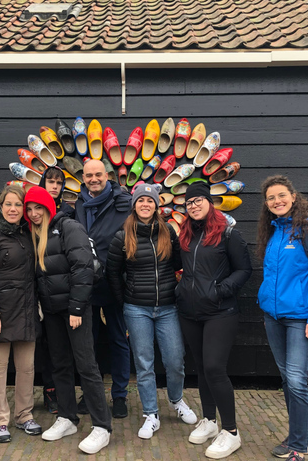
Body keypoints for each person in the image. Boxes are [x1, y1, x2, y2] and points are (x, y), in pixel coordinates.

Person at [24, 186, 112, 455]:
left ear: (49, 207)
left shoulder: (69, 227)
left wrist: (76, 308)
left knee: (86, 365)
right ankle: (67, 417)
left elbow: (83, 268)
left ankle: (102, 427)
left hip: (75, 310)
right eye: (29, 209)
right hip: (51, 311)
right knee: (60, 365)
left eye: (38, 208)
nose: (33, 213)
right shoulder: (34, 233)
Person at [106, 184, 198, 440]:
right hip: (136, 309)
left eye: (150, 200)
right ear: (134, 205)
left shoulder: (168, 231)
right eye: (140, 200)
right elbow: (112, 273)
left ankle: (177, 400)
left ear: (156, 205)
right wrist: (124, 299)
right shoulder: (122, 235)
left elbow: (179, 262)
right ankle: (150, 413)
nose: (145, 204)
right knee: (144, 364)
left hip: (168, 307)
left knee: (174, 360)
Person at [256, 175, 308, 461]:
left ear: (293, 196)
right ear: (266, 204)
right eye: (271, 198)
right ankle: (295, 436)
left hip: (300, 318)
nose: (277, 201)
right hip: (273, 317)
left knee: (296, 380)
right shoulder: (273, 231)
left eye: (281, 195)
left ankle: (300, 446)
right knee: (288, 379)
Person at [175, 181, 252, 459]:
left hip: (220, 312)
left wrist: (221, 291)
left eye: (198, 201)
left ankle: (231, 432)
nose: (193, 206)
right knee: (202, 369)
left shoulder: (228, 234)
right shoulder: (185, 234)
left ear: (209, 202)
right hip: (190, 312)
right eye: (189, 202)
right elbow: (177, 265)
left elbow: (244, 269)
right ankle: (209, 421)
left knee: (215, 368)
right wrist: (180, 291)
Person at [0, 185, 41, 442]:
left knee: (26, 368)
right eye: (8, 204)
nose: (13, 209)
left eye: (18, 205)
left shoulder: (29, 234)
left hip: (25, 311)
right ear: (1, 206)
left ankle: (24, 415)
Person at [73, 159, 132, 418]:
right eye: (89, 175)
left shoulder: (123, 203)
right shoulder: (77, 205)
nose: (93, 179)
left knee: (119, 340)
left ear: (107, 175)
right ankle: (91, 394)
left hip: (115, 282)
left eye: (98, 174)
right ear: (83, 178)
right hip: (86, 284)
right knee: (89, 343)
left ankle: (120, 396)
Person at [36, 165, 72, 413]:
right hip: (38, 285)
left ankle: (64, 392)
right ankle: (49, 392)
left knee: (62, 346)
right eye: (51, 181)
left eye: (59, 182)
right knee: (45, 345)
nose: (55, 186)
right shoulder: (34, 211)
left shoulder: (69, 212)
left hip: (61, 286)